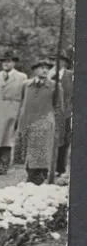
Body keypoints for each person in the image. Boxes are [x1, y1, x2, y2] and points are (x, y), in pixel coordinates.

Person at [13, 57, 61, 185]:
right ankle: (30, 175)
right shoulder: (26, 85)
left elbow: (58, 106)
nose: (45, 71)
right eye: (42, 68)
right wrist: (19, 120)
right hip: (27, 121)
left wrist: (53, 122)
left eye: (47, 68)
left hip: (44, 123)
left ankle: (40, 176)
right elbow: (22, 102)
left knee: (42, 150)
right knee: (28, 149)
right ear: (34, 70)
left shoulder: (54, 86)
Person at [0, 50, 25, 175]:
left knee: (7, 139)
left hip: (13, 109)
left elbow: (25, 96)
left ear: (14, 63)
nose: (6, 64)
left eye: (8, 61)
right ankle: (1, 162)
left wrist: (20, 111)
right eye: (3, 61)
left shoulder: (21, 77)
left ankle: (4, 165)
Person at [53, 49, 74, 179]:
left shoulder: (70, 75)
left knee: (63, 141)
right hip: (50, 112)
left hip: (66, 112)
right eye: (54, 60)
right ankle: (49, 168)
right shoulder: (49, 75)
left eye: (60, 60)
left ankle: (60, 168)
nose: (57, 62)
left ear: (65, 62)